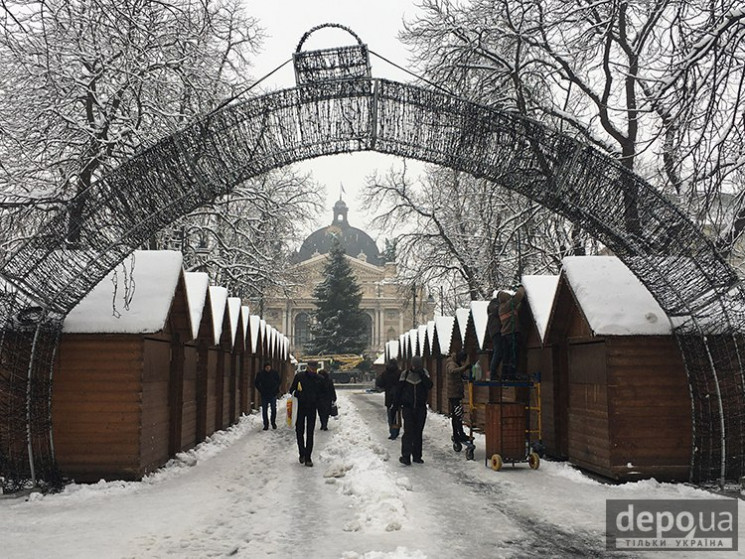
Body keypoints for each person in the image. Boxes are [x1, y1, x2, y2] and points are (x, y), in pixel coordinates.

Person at [393, 355, 433, 465]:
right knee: (408, 432)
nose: (416, 367)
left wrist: (422, 374)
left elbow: (430, 385)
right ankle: (406, 456)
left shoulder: (424, 373)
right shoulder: (405, 375)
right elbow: (399, 391)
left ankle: (417, 456)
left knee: (418, 432)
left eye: (418, 365)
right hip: (408, 408)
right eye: (415, 365)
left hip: (420, 407)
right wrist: (396, 405)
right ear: (412, 364)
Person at [288, 360, 324, 466]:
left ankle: (308, 457)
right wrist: (298, 394)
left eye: (314, 368)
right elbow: (292, 390)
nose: (313, 369)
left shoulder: (320, 379)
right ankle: (302, 453)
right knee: (299, 431)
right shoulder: (300, 376)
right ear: (307, 367)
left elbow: (322, 394)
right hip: (300, 408)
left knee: (310, 433)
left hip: (312, 408)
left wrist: (320, 403)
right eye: (311, 367)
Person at [499, 286, 526, 379]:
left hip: (505, 335)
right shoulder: (508, 305)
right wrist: (521, 287)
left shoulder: (502, 308)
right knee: (514, 354)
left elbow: (516, 308)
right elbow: (519, 295)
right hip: (512, 333)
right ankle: (512, 374)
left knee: (507, 355)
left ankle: (505, 375)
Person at [445, 350, 471, 444]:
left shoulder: (455, 362)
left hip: (456, 394)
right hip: (454, 394)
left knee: (458, 415)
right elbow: (452, 371)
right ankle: (458, 436)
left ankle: (459, 434)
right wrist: (464, 368)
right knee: (457, 415)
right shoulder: (451, 363)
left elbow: (458, 374)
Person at [376, 359, 401, 439]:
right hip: (398, 398)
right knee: (397, 415)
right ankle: (396, 430)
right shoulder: (399, 373)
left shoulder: (385, 373)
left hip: (389, 398)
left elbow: (380, 383)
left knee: (391, 416)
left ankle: (393, 431)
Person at [255, 362, 281, 430]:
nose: (268, 368)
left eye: (269, 367)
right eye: (266, 367)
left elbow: (279, 381)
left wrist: (276, 388)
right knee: (264, 410)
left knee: (273, 409)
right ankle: (266, 424)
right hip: (264, 394)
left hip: (273, 394)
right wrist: (261, 390)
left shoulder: (274, 373)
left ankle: (273, 422)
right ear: (264, 368)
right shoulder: (260, 374)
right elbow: (256, 383)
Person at [487, 293, 502, 380]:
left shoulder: (493, 305)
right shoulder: (493, 304)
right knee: (498, 351)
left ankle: (494, 372)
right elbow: (498, 310)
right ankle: (493, 372)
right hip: (496, 331)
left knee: (500, 351)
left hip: (496, 331)